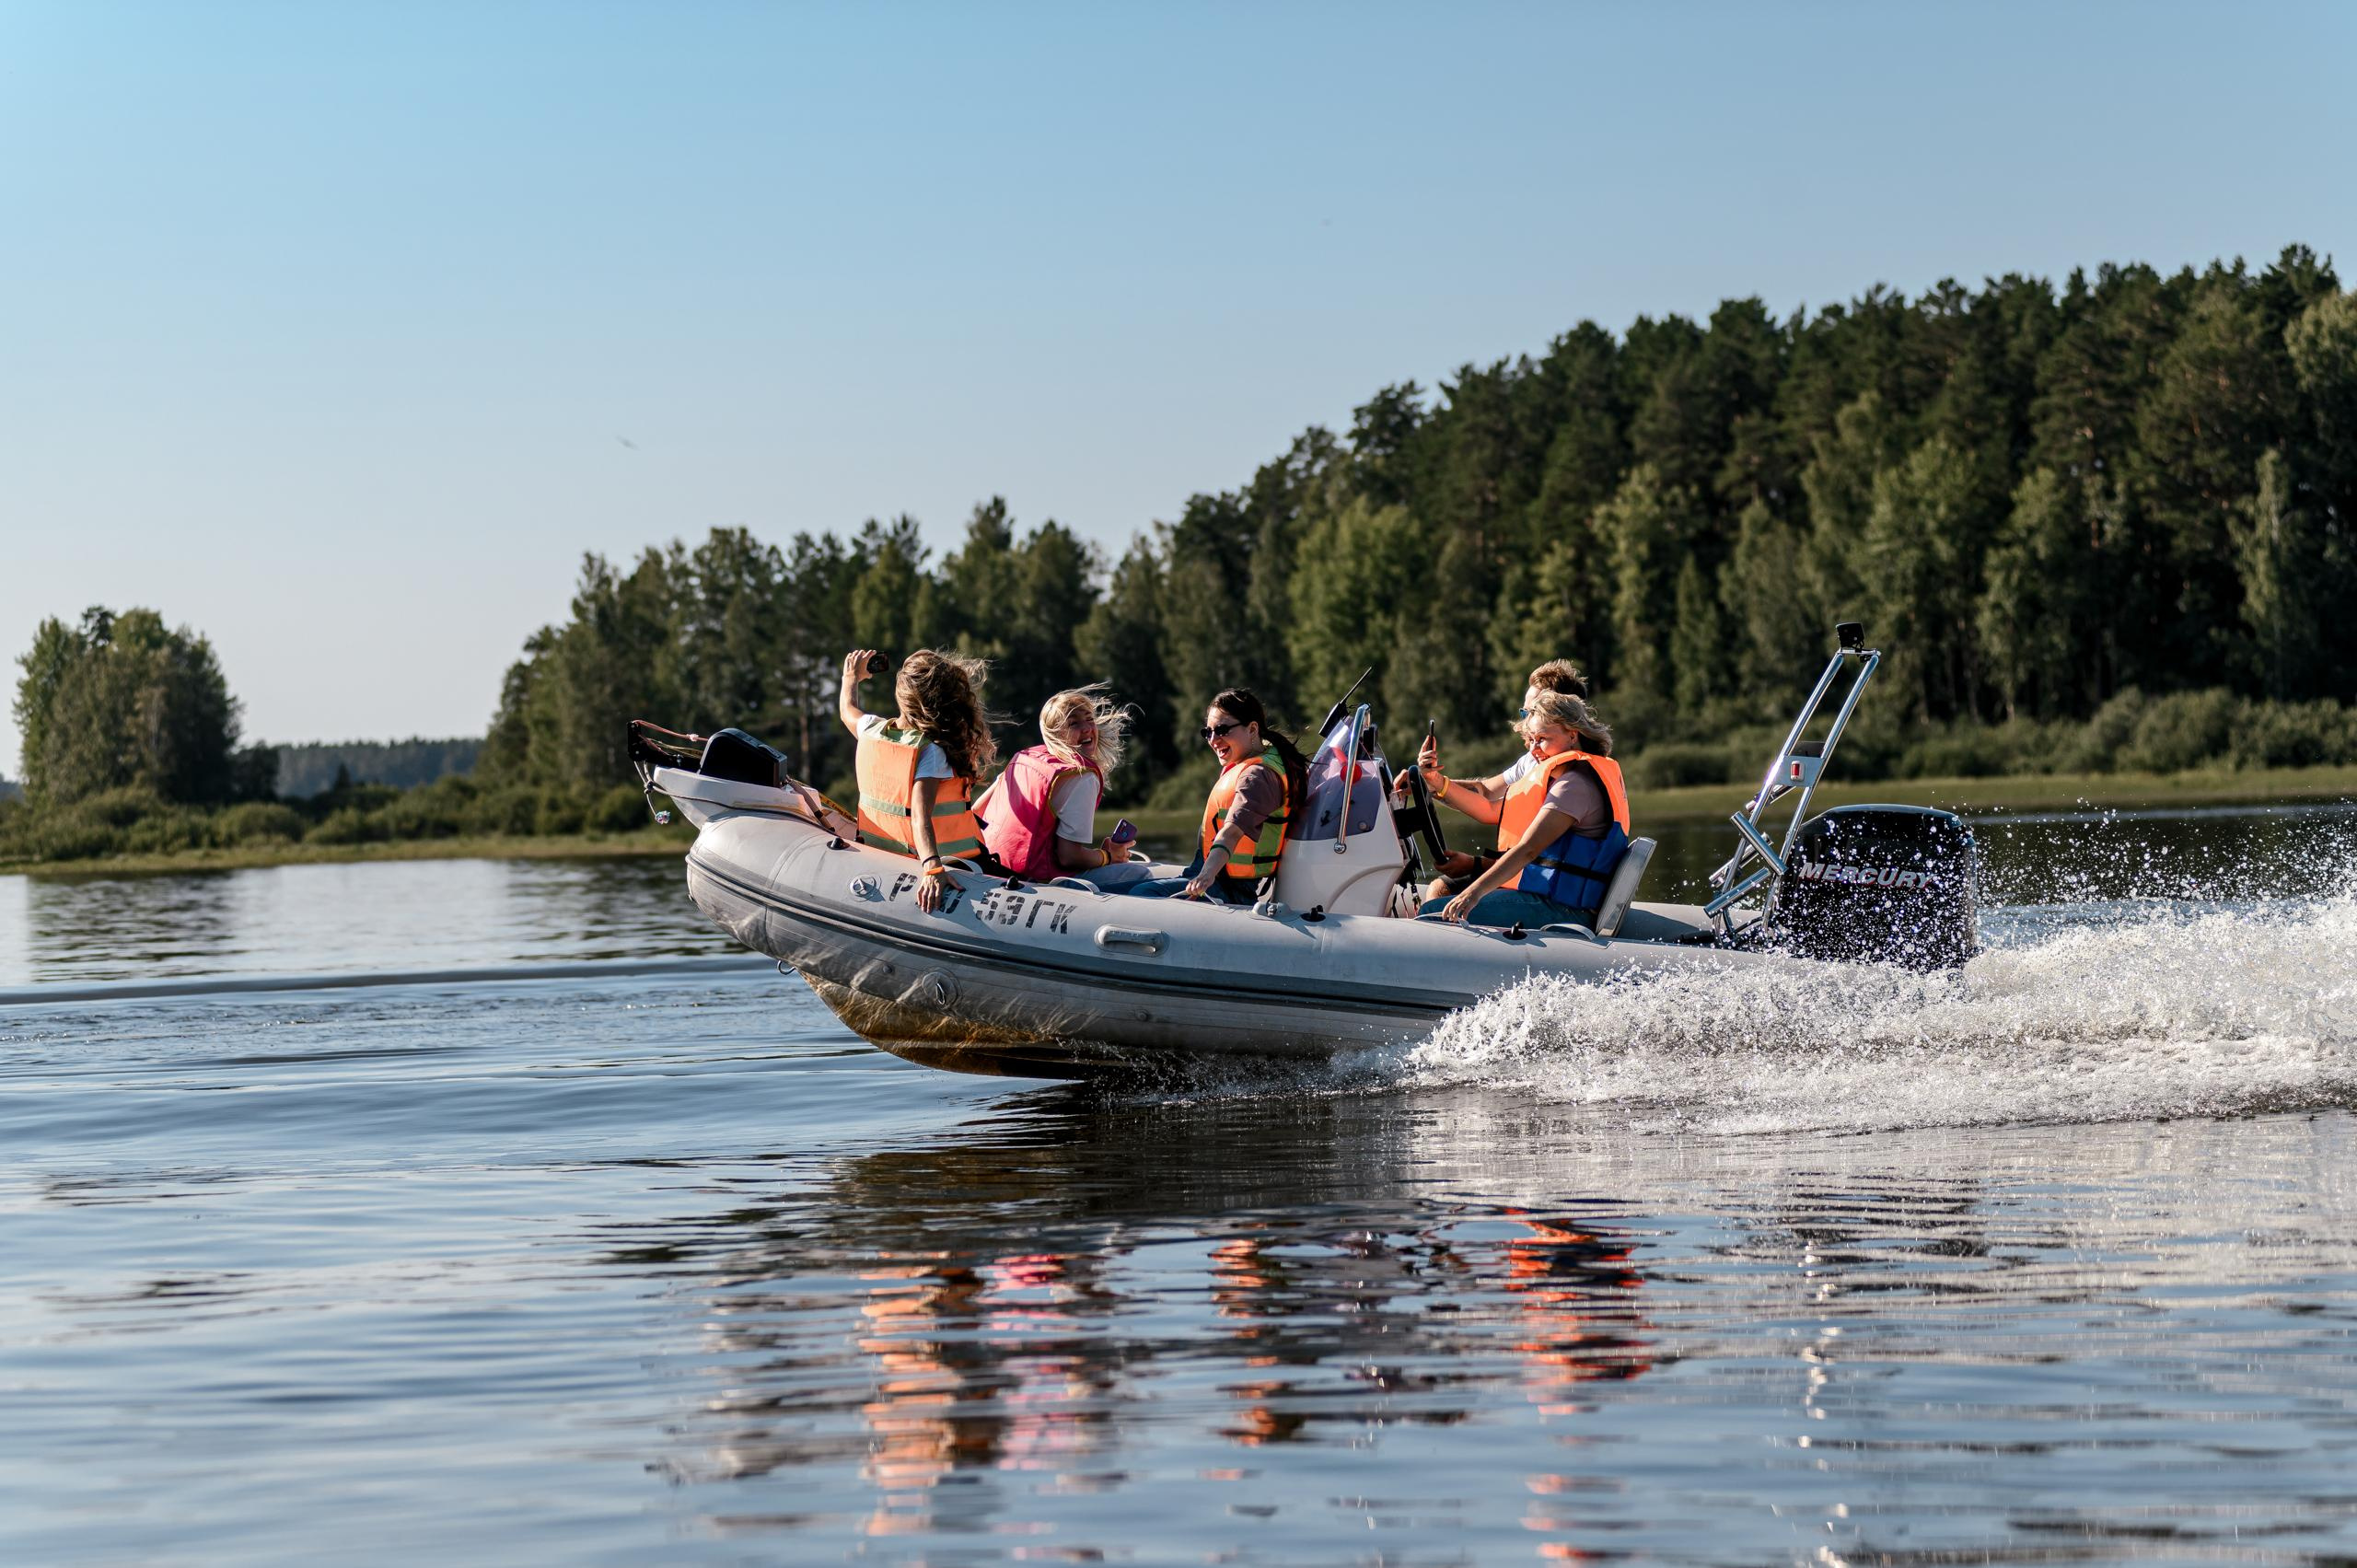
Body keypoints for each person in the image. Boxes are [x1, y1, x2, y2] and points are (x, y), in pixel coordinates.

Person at [1419, 688, 1629, 929]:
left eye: (1542, 739)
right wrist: (1435, 783)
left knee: (1431, 913)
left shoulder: (1574, 786)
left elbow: (1528, 849)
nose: (1533, 749)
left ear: (1572, 734)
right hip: (1554, 899)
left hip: (1564, 909)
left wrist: (1472, 895)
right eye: (1531, 739)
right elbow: (1489, 804)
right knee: (1443, 899)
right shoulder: (1566, 778)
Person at [1400, 658, 1590, 902]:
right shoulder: (1535, 761)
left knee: (1440, 895)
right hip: (1535, 875)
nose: (1525, 722)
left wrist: (1474, 865)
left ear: (1562, 715)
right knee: (1441, 889)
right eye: (1525, 712)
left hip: (1551, 889)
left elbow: (1529, 849)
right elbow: (1486, 792)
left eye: (1532, 712)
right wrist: (1431, 782)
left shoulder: (1570, 778)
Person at [838, 647, 998, 913]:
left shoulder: (871, 729)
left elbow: (847, 710)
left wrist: (851, 678)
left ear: (902, 698)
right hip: (951, 862)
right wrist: (933, 868)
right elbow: (919, 818)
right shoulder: (932, 751)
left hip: (884, 856)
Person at [1129, 688, 1308, 903]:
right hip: (1212, 877)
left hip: (1226, 889)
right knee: (1113, 891)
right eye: (1208, 732)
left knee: (1140, 896)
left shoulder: (1258, 776)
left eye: (1222, 730)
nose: (1213, 740)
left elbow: (1231, 832)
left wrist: (1206, 876)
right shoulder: (1260, 760)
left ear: (1252, 729)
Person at [974, 686, 1147, 889]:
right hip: (1036, 881)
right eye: (1073, 723)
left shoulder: (1022, 757)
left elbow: (977, 810)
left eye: (1090, 719)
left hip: (993, 867)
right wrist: (1109, 856)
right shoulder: (1082, 777)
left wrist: (1101, 856)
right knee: (1142, 874)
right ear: (1055, 733)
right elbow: (1068, 857)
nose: (1086, 728)